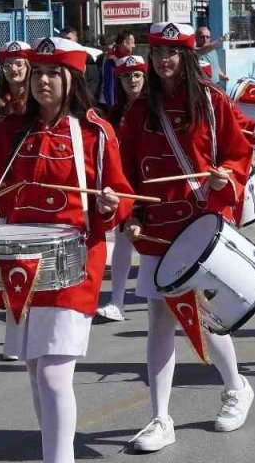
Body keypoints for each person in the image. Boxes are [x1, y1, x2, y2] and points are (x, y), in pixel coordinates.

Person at [0, 36, 132, 463]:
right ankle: (53, 449)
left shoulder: (95, 132)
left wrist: (111, 203)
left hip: (74, 263)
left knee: (52, 372)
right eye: (38, 72)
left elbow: (121, 194)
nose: (42, 80)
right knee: (34, 368)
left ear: (73, 78)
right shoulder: (12, 130)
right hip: (21, 263)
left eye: (53, 73)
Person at [118, 21, 255, 453]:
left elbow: (238, 154)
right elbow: (125, 171)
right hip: (158, 228)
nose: (164, 60)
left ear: (187, 55)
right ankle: (159, 418)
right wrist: (130, 214)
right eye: (158, 52)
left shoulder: (213, 103)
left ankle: (237, 388)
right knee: (159, 319)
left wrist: (226, 177)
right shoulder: (138, 111)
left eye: (172, 52)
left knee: (204, 314)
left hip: (200, 225)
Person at [95, 54, 148, 323]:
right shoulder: (113, 114)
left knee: (159, 244)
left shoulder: (155, 108)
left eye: (136, 75)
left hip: (153, 183)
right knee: (124, 240)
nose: (132, 81)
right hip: (126, 186)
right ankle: (117, 301)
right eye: (126, 77)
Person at [0, 41, 31, 138]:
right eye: (7, 65)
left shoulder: (36, 104)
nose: (13, 69)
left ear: (28, 67)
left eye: (19, 64)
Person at [98, 31, 136, 107]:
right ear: (125, 42)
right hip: (113, 104)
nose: (134, 46)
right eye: (132, 42)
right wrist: (111, 106)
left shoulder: (130, 59)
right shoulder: (112, 61)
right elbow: (110, 86)